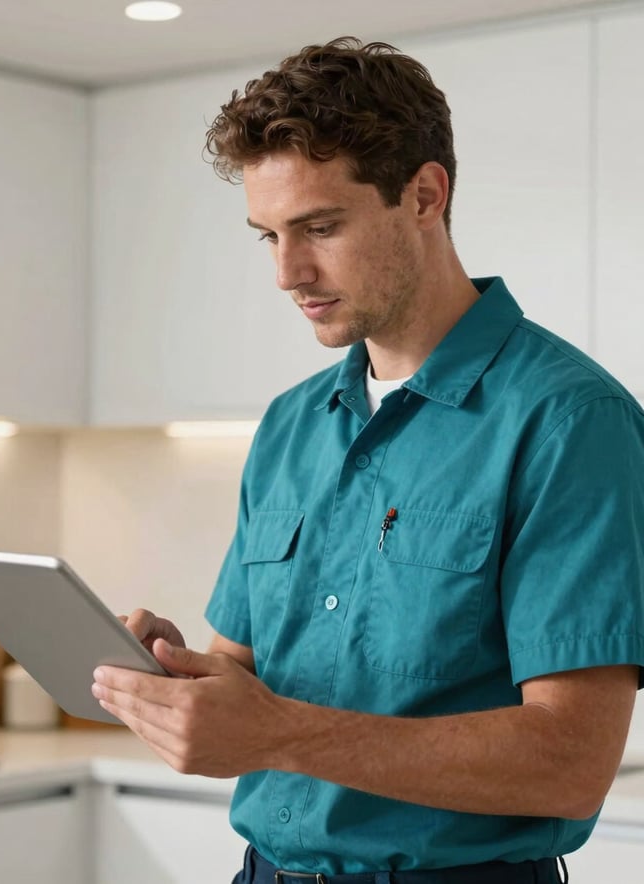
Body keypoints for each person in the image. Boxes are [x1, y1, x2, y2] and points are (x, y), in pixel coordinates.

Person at [91, 36, 644, 884]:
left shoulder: (572, 421)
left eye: (319, 227)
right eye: (267, 235)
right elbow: (245, 680)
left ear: (425, 194)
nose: (287, 272)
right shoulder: (290, 424)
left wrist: (277, 731)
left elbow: (570, 762)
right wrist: (173, 679)